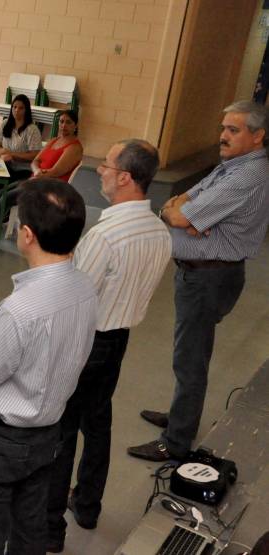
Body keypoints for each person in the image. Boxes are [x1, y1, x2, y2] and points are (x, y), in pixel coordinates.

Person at [0, 177, 97, 555]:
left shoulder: (20, 310)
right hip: (49, 431)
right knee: (29, 526)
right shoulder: (85, 288)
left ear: (27, 235)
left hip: (1, 439)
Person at [45, 140, 172, 552]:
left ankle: (49, 530)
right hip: (118, 341)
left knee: (62, 433)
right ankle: (87, 505)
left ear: (125, 177)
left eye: (107, 165)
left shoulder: (105, 236)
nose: (99, 169)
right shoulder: (157, 230)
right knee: (98, 423)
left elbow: (72, 298)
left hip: (86, 342)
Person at [128, 100, 269, 462]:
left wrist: (184, 216)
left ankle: (175, 442)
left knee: (190, 359)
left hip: (210, 277)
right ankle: (179, 417)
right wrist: (183, 214)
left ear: (258, 136)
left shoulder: (248, 175)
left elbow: (180, 215)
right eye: (223, 129)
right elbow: (181, 203)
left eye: (233, 130)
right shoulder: (231, 166)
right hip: (201, 271)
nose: (223, 136)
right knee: (187, 354)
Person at [0, 110, 83, 246]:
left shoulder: (74, 148)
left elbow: (56, 171)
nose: (63, 125)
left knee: (7, 198)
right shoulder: (54, 140)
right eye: (61, 121)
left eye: (68, 122)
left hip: (50, 189)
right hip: (35, 180)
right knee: (0, 194)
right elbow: (35, 161)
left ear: (75, 126)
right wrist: (37, 172)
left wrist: (40, 174)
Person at [0, 93, 42, 193]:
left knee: (3, 187)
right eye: (14, 107)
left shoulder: (32, 129)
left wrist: (12, 154)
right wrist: (1, 151)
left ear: (26, 110)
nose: (16, 110)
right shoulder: (5, 123)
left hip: (23, 170)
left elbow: (35, 155)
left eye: (21, 108)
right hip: (5, 165)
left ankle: (0, 207)